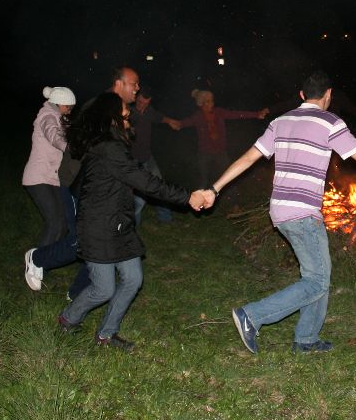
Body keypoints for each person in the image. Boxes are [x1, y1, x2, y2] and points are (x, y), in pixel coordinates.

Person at [201, 70, 356, 355]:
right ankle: (252, 315)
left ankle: (307, 338)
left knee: (317, 274)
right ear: (329, 95)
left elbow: (249, 158)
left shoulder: (280, 121)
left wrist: (214, 189)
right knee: (318, 280)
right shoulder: (330, 122)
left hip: (279, 209)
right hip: (302, 213)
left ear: (301, 95)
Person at [56, 91, 207, 349]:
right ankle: (68, 319)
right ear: (111, 118)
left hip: (118, 225)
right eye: (125, 114)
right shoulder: (108, 148)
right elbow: (146, 181)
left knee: (133, 279)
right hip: (98, 227)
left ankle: (106, 334)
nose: (129, 118)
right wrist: (188, 197)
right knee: (103, 289)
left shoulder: (112, 145)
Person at [24, 66, 141, 296]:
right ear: (119, 83)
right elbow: (75, 141)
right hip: (76, 182)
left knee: (97, 237)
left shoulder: (114, 109)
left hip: (98, 185)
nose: (137, 87)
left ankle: (78, 290)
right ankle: (37, 259)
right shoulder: (98, 107)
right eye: (134, 83)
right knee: (80, 237)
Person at [175, 89, 268, 189]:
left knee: (228, 175)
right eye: (208, 101)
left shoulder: (219, 112)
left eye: (212, 100)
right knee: (203, 179)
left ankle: (233, 198)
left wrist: (257, 114)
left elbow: (237, 114)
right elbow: (181, 124)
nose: (212, 103)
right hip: (204, 153)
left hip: (220, 152)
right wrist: (172, 122)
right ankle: (200, 197)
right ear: (201, 104)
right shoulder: (198, 117)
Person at [22, 86, 76, 247]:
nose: (70, 111)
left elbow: (72, 133)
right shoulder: (47, 117)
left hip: (52, 178)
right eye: (68, 107)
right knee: (55, 223)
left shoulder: (60, 118)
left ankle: (51, 255)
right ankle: (37, 260)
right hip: (38, 177)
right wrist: (69, 148)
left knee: (63, 223)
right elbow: (53, 136)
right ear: (58, 103)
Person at [130, 85, 179, 227]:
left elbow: (160, 117)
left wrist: (171, 121)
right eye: (140, 102)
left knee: (159, 186)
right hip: (132, 159)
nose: (142, 106)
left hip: (148, 157)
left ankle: (165, 218)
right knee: (138, 198)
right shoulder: (127, 111)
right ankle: (132, 227)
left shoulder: (149, 111)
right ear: (136, 98)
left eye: (146, 103)